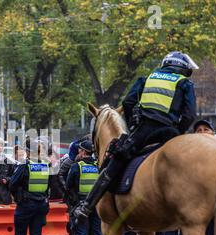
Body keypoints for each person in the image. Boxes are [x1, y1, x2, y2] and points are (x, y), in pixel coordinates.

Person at [73, 51, 198, 223]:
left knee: (115, 160)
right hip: (170, 132)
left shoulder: (145, 79)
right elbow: (190, 114)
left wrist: (133, 125)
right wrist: (178, 130)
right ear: (182, 69)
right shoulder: (185, 83)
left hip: (144, 132)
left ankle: (86, 206)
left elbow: (128, 103)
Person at [9, 140, 51, 235]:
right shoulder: (46, 165)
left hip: (25, 205)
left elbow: (13, 184)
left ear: (28, 151)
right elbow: (50, 185)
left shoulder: (25, 165)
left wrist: (18, 196)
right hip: (41, 205)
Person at [65, 140, 107, 235]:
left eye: (80, 150)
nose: (79, 152)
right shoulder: (98, 166)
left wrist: (73, 202)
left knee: (80, 234)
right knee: (97, 233)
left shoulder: (77, 166)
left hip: (81, 205)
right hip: (97, 204)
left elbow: (68, 185)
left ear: (83, 152)